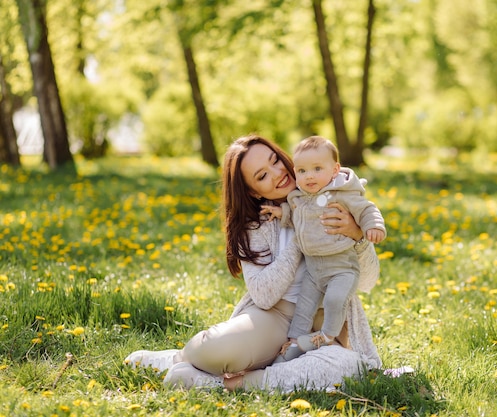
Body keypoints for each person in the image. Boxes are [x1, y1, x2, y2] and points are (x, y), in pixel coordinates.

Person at [124, 134, 381, 392]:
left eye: (275, 161)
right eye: (262, 176)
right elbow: (264, 296)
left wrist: (357, 235)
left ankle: (230, 383)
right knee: (212, 349)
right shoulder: (255, 226)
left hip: (326, 324)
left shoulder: (337, 198)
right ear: (252, 191)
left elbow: (368, 281)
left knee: (350, 365)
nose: (278, 173)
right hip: (276, 316)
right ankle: (178, 359)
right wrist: (302, 233)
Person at [262, 136, 385, 362]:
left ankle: (328, 334)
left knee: (334, 300)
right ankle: (294, 343)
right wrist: (283, 214)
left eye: (317, 169)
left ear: (335, 169)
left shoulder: (343, 193)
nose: (309, 176)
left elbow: (367, 209)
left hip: (342, 268)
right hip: (313, 269)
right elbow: (298, 217)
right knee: (304, 307)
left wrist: (373, 225)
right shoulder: (299, 197)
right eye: (302, 170)